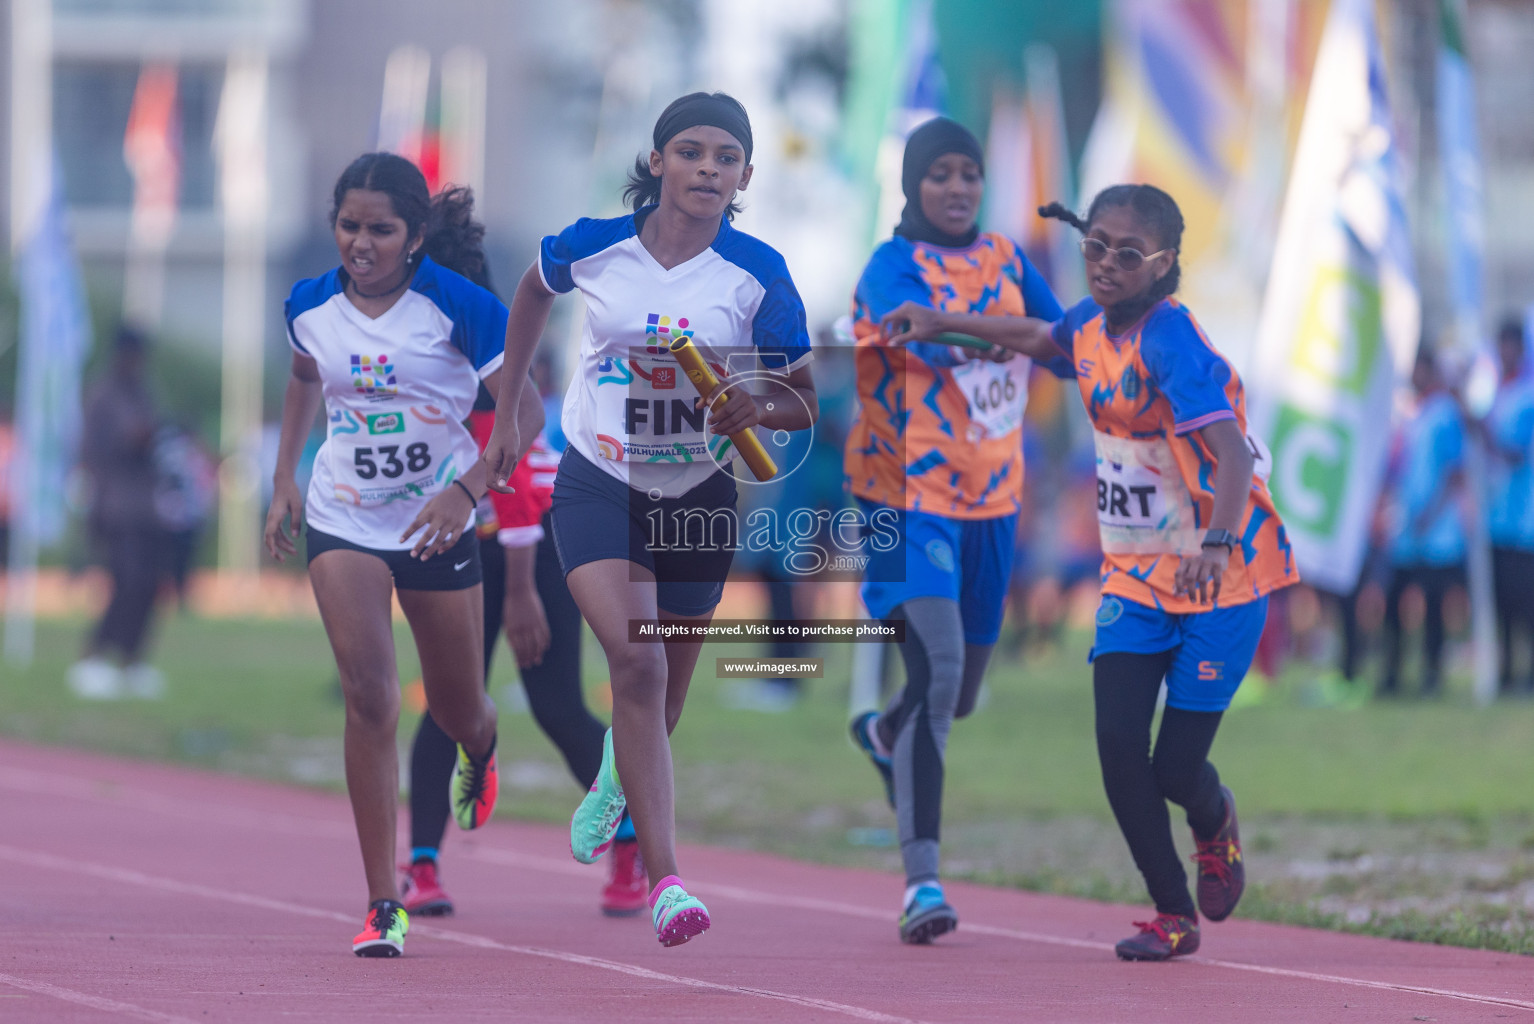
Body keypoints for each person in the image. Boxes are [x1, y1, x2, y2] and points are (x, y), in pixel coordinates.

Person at [481, 92, 818, 947]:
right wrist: (516, 395)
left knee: (660, 692)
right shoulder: (597, 246)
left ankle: (610, 779)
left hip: (700, 497)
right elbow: (530, 289)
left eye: (727, 158)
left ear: (744, 175)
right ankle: (668, 881)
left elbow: (802, 403)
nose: (709, 168)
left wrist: (752, 401)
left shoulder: (759, 274)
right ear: (659, 160)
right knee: (634, 661)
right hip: (600, 480)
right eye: (692, 152)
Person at [993, 185, 1298, 960]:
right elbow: (1038, 336)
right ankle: (1172, 914)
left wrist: (1218, 544)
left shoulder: (1173, 343)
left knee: (1173, 768)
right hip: (1135, 576)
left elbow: (1230, 453)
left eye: (1128, 253)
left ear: (1165, 264)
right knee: (1116, 743)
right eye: (1096, 244)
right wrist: (940, 324)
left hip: (1221, 578)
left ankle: (1213, 816)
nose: (1106, 263)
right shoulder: (1089, 327)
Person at [263, 154, 541, 957]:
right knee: (371, 696)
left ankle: (482, 744)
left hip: (439, 524)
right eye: (349, 226)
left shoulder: (462, 308)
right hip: (343, 515)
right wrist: (285, 477)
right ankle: (384, 900)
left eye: (380, 229)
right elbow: (301, 377)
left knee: (457, 707)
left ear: (414, 236)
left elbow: (521, 412)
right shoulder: (309, 305)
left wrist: (467, 494)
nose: (361, 242)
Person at [843, 116, 1066, 944]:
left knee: (958, 697)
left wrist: (982, 329)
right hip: (905, 495)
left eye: (969, 172)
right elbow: (925, 336)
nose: (958, 188)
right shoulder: (889, 266)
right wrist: (1012, 336)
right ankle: (921, 883)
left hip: (993, 501)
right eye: (939, 173)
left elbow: (1068, 345)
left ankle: (885, 732)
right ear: (913, 184)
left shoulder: (1009, 259)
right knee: (938, 673)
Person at [401, 383, 647, 918]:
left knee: (556, 707)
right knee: (448, 705)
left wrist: (519, 593)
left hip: (533, 544)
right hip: (462, 543)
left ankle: (631, 840)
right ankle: (421, 865)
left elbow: (511, 483)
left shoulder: (481, 366)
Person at [69, 326, 168, 700]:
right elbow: (111, 446)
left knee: (147, 586)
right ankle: (93, 657)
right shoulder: (103, 395)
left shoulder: (143, 392)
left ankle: (132, 660)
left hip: (145, 506)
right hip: (114, 505)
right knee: (125, 582)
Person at [1380, 350, 1466, 698]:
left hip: (1436, 530)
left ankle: (1432, 674)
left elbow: (1453, 470)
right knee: (1394, 602)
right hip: (1405, 527)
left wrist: (1431, 513)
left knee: (1433, 607)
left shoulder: (1445, 412)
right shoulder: (1406, 412)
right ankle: (1393, 673)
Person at [1480, 317, 1534, 695]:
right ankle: (1506, 672)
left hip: (1524, 520)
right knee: (1501, 604)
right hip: (1496, 517)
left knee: (1526, 602)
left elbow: (1514, 452)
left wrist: (1482, 431)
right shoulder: (1496, 392)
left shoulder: (1528, 394)